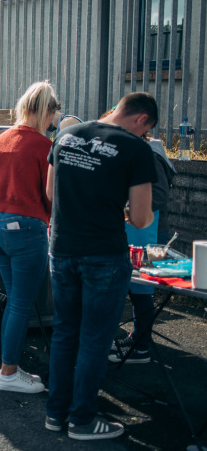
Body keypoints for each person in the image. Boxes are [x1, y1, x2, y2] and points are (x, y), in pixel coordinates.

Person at [44, 92, 158, 440]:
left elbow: (50, 192)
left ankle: (56, 414)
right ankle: (82, 420)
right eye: (146, 130)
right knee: (95, 338)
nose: (144, 135)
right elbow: (140, 219)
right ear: (141, 120)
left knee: (65, 332)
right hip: (103, 255)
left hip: (61, 247)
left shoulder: (64, 135)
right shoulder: (137, 149)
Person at [0, 81, 60, 393]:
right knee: (20, 303)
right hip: (27, 229)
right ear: (47, 112)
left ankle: (10, 366)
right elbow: (50, 194)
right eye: (54, 113)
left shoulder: (1, 140)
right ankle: (8, 372)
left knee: (16, 300)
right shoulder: (45, 146)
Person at [108, 135, 176, 365]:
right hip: (133, 230)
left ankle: (141, 345)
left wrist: (125, 206)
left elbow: (158, 195)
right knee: (132, 286)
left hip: (150, 232)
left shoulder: (150, 155)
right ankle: (136, 338)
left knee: (141, 288)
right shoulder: (136, 152)